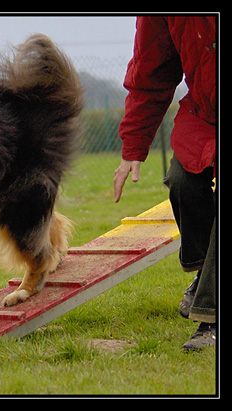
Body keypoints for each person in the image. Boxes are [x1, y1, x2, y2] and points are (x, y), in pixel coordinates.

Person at [113, 16, 217, 350]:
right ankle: (205, 274)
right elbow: (150, 73)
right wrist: (133, 147)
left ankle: (210, 319)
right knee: (182, 181)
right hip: (205, 114)